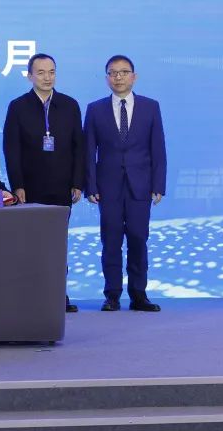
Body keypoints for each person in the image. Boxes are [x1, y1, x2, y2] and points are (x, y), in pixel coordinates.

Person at [84, 55, 167, 313]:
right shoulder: (95, 109)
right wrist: (90, 186)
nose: (118, 77)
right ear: (107, 78)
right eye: (113, 73)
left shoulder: (150, 107)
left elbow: (158, 148)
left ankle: (139, 294)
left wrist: (159, 184)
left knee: (138, 239)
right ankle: (112, 295)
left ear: (134, 76)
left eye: (123, 72)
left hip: (140, 186)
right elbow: (89, 151)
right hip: (107, 187)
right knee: (110, 240)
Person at [2, 52, 83, 313]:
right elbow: (11, 149)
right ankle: (31, 295)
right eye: (41, 72)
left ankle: (59, 295)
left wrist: (77, 182)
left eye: (51, 72)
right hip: (30, 187)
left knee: (58, 244)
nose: (47, 77)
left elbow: (79, 147)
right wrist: (17, 185)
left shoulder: (69, 105)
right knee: (31, 244)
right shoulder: (18, 106)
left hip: (61, 186)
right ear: (29, 76)